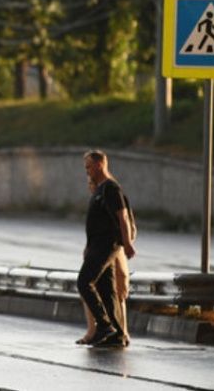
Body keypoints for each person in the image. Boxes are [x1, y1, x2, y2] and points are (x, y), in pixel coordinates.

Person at [77, 149, 136, 348]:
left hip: (107, 245)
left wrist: (127, 244)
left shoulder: (110, 188)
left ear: (100, 165)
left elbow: (123, 217)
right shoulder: (99, 189)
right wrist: (87, 246)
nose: (86, 171)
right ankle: (117, 334)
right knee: (106, 290)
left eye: (89, 166)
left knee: (84, 282)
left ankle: (104, 325)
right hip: (96, 245)